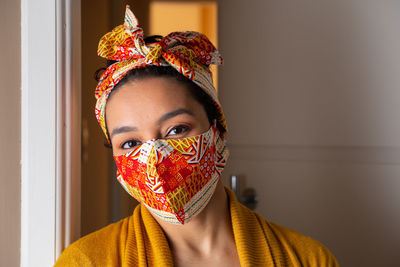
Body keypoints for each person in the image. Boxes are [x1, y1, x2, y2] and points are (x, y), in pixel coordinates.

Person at [55, 6, 339, 267]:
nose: (154, 157)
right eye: (130, 143)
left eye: (176, 130)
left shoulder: (307, 258)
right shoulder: (86, 261)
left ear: (218, 131)